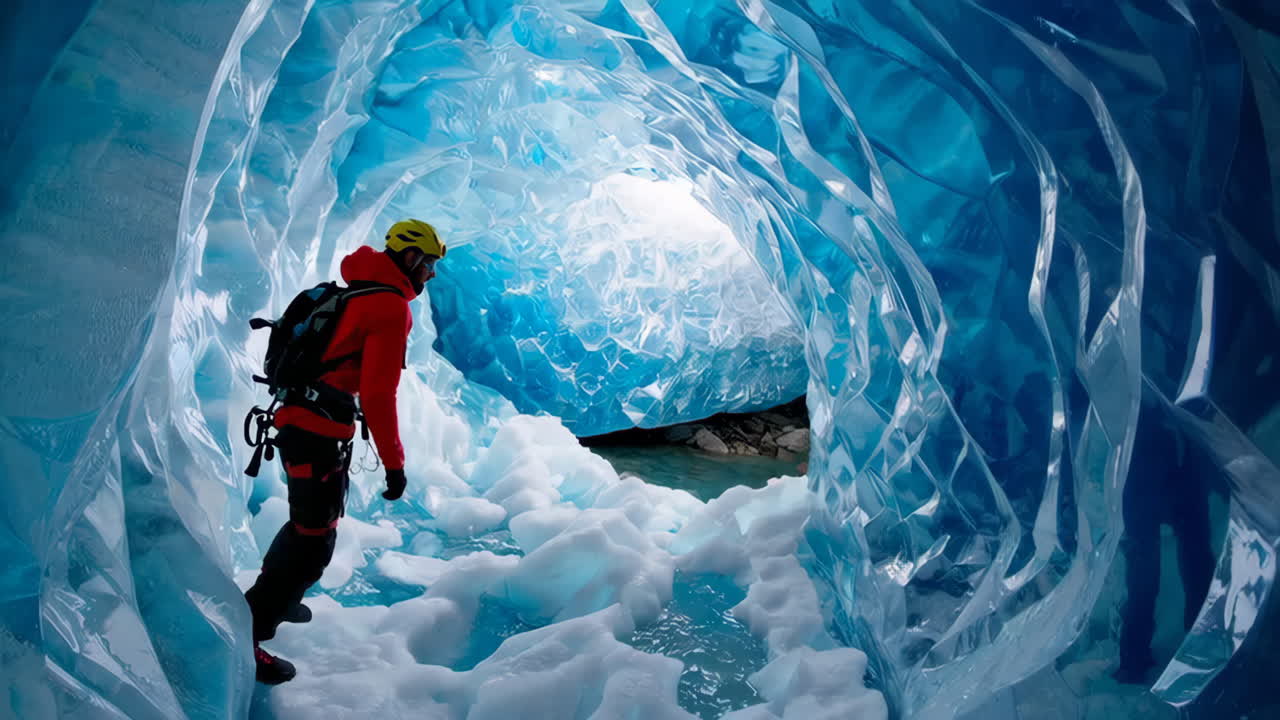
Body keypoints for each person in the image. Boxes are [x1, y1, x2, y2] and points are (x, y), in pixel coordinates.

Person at [244, 219, 445, 684]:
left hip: (302, 421)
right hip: (314, 430)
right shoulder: (389, 307)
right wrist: (395, 466)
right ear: (410, 258)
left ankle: (280, 597)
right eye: (429, 263)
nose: (431, 274)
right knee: (315, 542)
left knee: (308, 525)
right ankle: (248, 635)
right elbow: (377, 395)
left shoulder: (351, 292)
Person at [1114, 391, 1215, 685]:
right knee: (1150, 565)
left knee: (1188, 556)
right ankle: (1136, 659)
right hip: (1148, 461)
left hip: (1171, 460)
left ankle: (1198, 641)